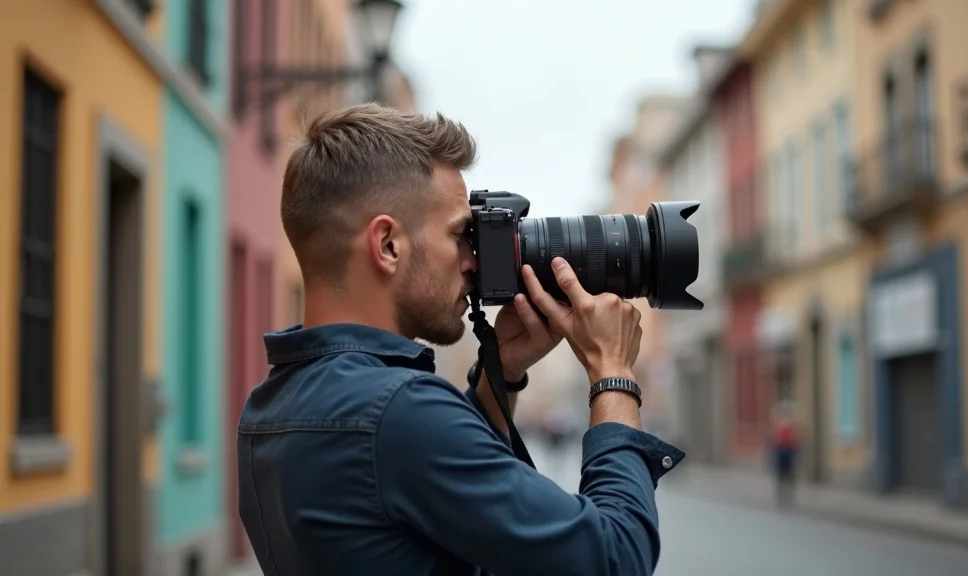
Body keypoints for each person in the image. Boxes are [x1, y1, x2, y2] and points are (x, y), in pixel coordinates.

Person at [236, 103, 686, 576]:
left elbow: (420, 501)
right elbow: (615, 559)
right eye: (458, 235)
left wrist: (502, 374)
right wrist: (612, 372)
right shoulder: (398, 412)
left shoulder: (269, 407)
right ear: (388, 244)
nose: (474, 262)